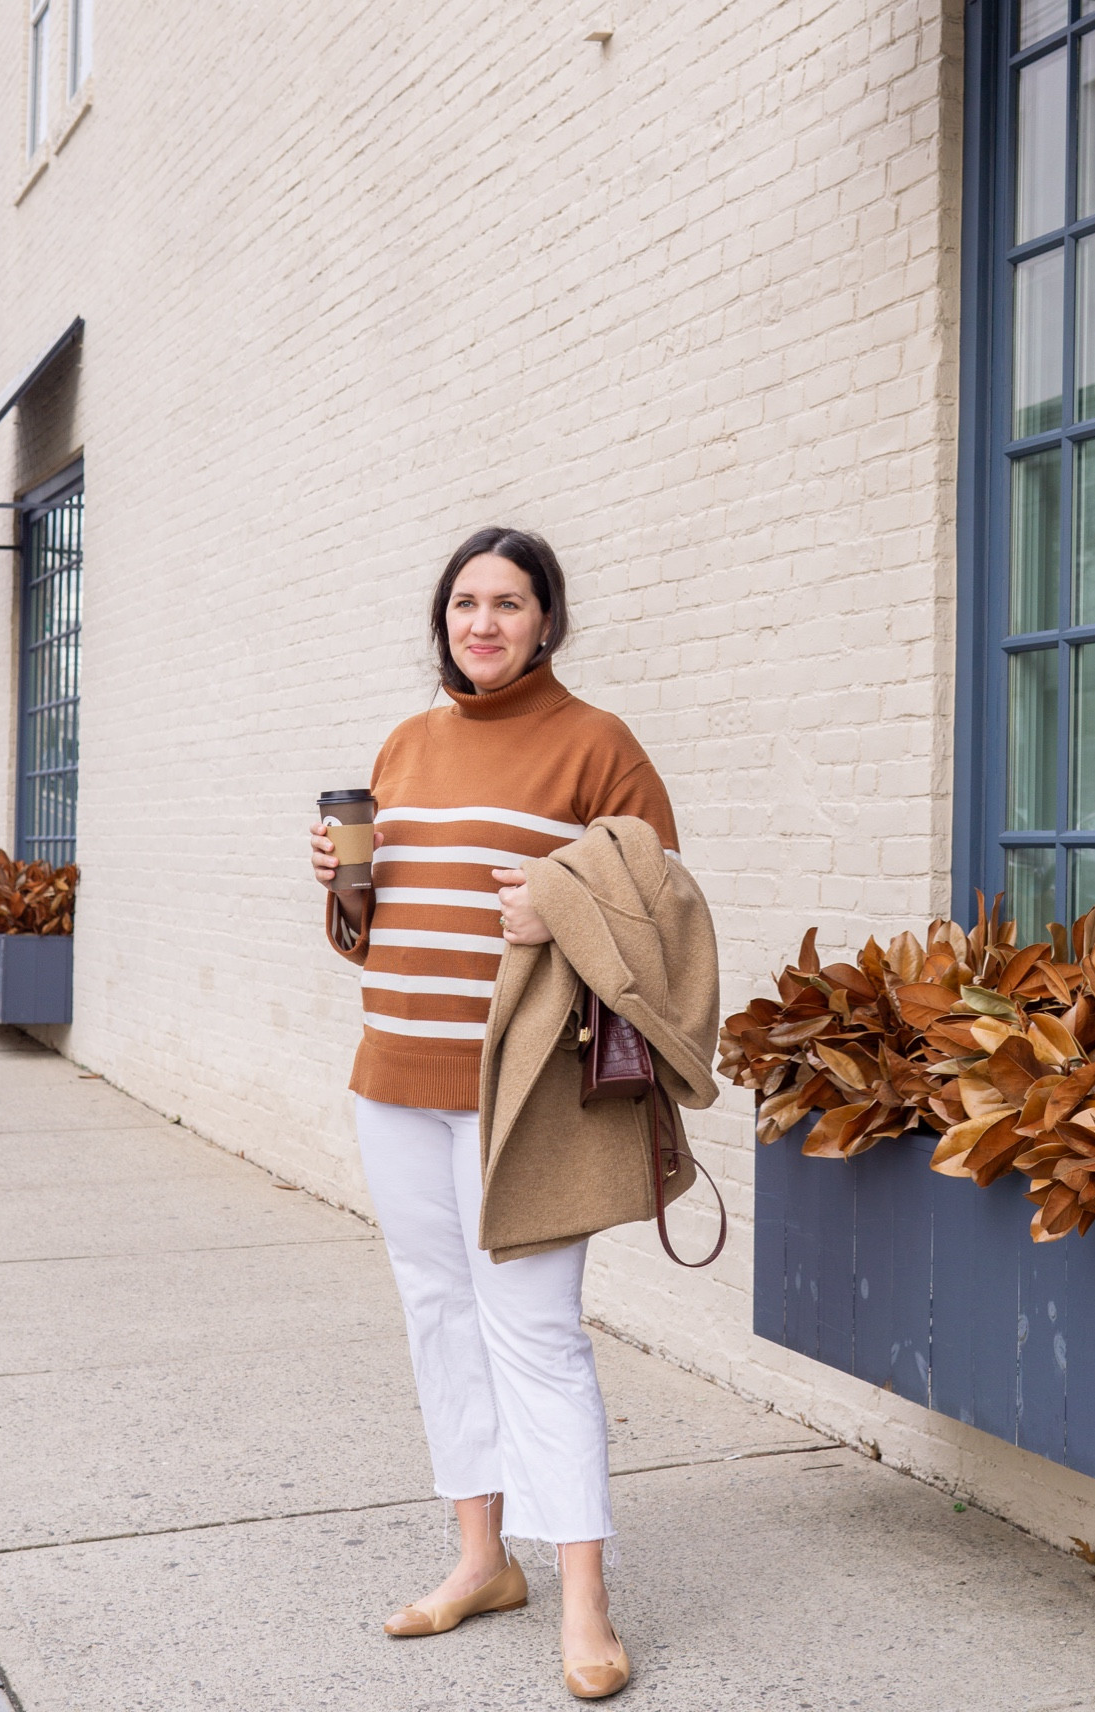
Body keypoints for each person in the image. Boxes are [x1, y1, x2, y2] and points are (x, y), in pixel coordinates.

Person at [310, 526, 712, 1702]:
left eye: (509, 603)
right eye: (465, 602)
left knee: (535, 1330)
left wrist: (558, 913)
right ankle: (482, 1559)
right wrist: (342, 889)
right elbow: (365, 939)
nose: (482, 622)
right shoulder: (404, 741)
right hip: (393, 1079)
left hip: (524, 1098)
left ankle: (584, 1596)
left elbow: (661, 922)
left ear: (548, 619)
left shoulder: (599, 746)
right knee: (439, 1316)